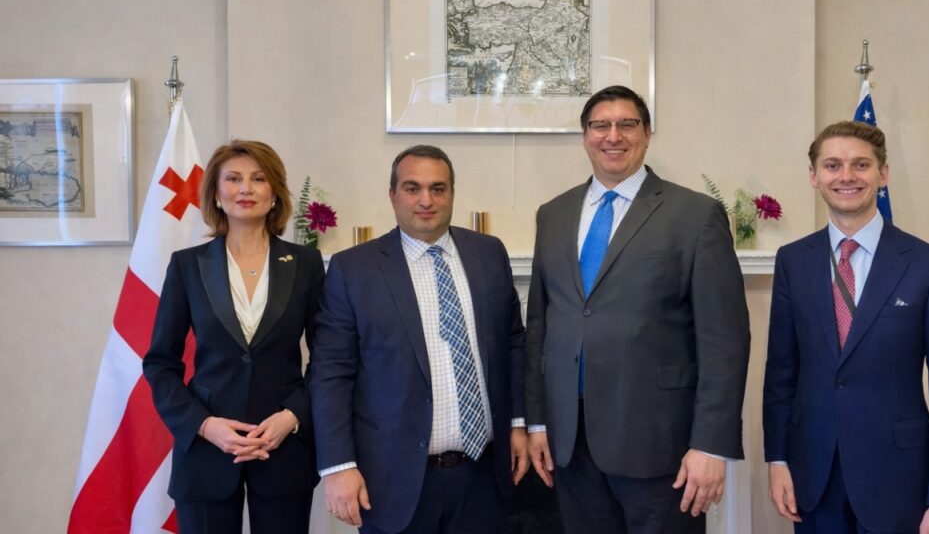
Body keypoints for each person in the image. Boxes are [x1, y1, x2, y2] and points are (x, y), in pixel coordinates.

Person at [524, 85, 751, 534]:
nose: (613, 136)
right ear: (585, 136)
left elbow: (725, 340)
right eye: (600, 126)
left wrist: (711, 444)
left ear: (647, 134)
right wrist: (535, 422)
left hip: (660, 447)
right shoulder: (553, 214)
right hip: (571, 445)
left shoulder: (695, 215)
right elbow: (539, 327)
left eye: (627, 124)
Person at [762, 120, 929, 533]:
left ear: (883, 174)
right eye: (832, 165)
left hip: (900, 480)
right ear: (814, 176)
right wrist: (778, 458)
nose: (846, 176)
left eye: (861, 165)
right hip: (813, 477)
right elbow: (781, 374)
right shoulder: (793, 261)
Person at [309, 145, 528, 534]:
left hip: (483, 477)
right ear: (392, 195)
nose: (426, 200)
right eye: (412, 188)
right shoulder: (353, 269)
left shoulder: (489, 254)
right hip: (392, 481)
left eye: (438, 188)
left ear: (452, 194)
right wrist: (338, 465)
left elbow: (513, 343)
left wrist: (518, 423)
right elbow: (330, 373)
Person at [143, 140, 324, 533]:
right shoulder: (187, 266)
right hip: (206, 452)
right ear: (216, 194)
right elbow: (160, 363)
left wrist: (292, 416)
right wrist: (204, 425)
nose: (245, 189)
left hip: (283, 449)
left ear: (274, 193)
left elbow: (328, 359)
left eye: (258, 179)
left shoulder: (306, 264)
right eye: (234, 179)